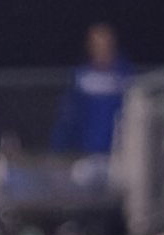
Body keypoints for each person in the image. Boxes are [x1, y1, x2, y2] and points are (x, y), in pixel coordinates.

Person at [49, 23, 134, 172]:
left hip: (119, 154)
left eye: (106, 43)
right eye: (97, 43)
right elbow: (67, 118)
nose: (102, 48)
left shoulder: (125, 77)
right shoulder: (81, 77)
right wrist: (58, 151)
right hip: (86, 154)